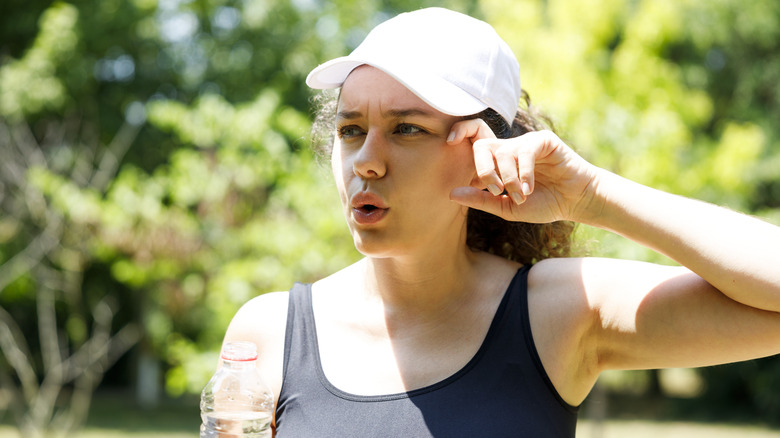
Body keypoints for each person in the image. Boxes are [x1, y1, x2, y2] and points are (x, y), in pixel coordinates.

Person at [221, 7, 780, 437]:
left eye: (406, 128)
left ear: (482, 150)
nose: (365, 160)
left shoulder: (558, 312)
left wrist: (591, 195)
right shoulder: (268, 335)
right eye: (350, 130)